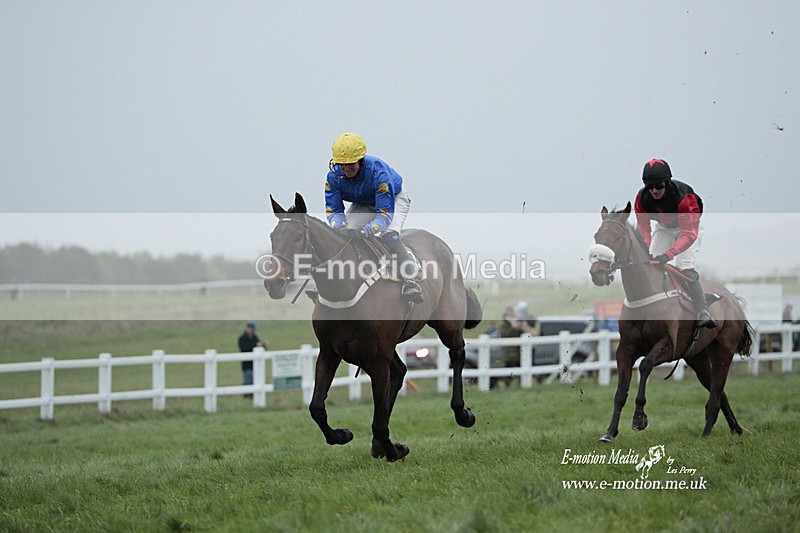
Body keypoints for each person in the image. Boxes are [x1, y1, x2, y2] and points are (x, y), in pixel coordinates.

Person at [324, 132, 423, 304]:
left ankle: (410, 279)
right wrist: (339, 227)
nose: (347, 169)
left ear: (360, 161)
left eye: (351, 164)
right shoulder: (333, 177)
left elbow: (384, 215)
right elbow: (334, 211)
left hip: (393, 200)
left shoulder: (379, 173)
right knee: (342, 236)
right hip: (363, 203)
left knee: (389, 235)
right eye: (342, 164)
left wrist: (366, 230)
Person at [634, 158, 716, 328]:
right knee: (653, 261)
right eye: (650, 187)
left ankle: (702, 310)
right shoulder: (642, 199)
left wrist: (669, 254)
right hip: (664, 227)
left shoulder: (684, 198)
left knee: (684, 264)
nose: (654, 191)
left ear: (667, 182)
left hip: (688, 229)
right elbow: (644, 229)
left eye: (659, 186)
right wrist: (648, 250)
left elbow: (688, 234)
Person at [238, 321, 266, 398]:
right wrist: (256, 345)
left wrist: (263, 345)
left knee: (255, 380)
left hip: (255, 364)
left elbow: (258, 346)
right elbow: (244, 348)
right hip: (247, 364)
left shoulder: (254, 337)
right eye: (252, 329)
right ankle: (247, 396)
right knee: (248, 381)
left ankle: (253, 396)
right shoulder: (242, 338)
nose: (253, 331)